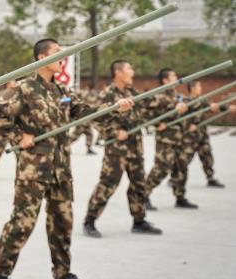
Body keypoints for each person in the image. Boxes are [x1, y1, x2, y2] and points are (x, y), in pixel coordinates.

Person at [0, 39, 134, 279]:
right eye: (57, 53)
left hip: (61, 169)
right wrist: (19, 136)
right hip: (33, 169)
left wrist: (115, 108)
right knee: (22, 222)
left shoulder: (63, 92)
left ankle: (62, 273)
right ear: (41, 57)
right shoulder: (25, 89)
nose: (62, 57)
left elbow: (87, 111)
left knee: (62, 222)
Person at [83, 60, 162, 238]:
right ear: (118, 72)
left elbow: (149, 106)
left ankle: (139, 221)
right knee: (108, 185)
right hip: (117, 150)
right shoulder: (108, 94)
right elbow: (95, 118)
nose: (132, 72)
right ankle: (89, 221)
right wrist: (113, 132)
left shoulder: (132, 93)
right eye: (129, 68)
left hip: (135, 147)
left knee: (138, 185)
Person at [144, 68, 196, 210]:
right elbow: (143, 110)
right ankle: (143, 196)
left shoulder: (178, 96)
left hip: (180, 138)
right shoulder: (158, 96)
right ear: (165, 80)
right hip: (165, 139)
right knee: (161, 168)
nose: (176, 77)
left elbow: (194, 107)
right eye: (173, 76)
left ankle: (180, 197)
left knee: (181, 167)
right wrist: (156, 124)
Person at [176, 81, 236, 188]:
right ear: (192, 88)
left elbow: (212, 107)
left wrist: (227, 108)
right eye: (199, 86)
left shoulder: (203, 100)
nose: (201, 88)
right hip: (190, 136)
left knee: (207, 157)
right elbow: (180, 118)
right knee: (184, 159)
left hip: (202, 135)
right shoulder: (186, 101)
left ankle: (210, 178)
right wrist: (189, 125)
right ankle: (175, 177)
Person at [68, 87, 98, 155]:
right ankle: (66, 146)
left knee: (90, 134)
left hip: (87, 122)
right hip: (82, 122)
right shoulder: (84, 95)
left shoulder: (89, 96)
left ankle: (89, 149)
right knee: (74, 137)